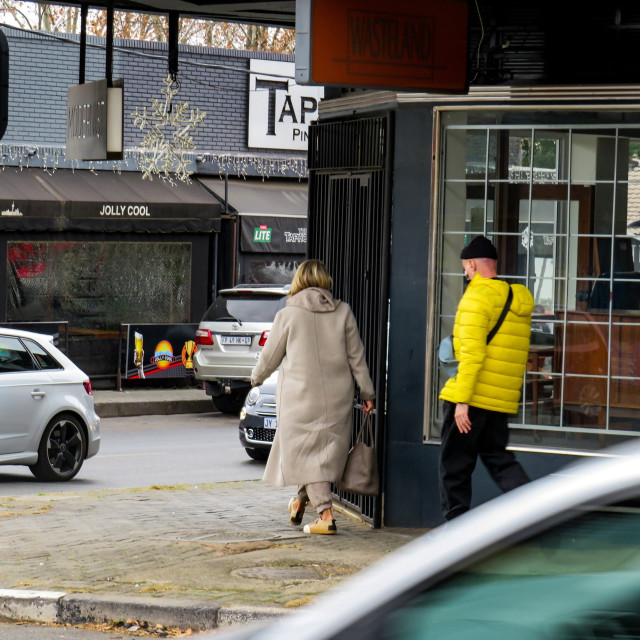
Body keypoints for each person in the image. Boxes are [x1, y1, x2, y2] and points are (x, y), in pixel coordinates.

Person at [251, 259, 375, 535]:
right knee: (315, 455)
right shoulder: (343, 312)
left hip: (299, 398)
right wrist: (367, 393)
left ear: (299, 281)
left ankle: (325, 515)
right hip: (336, 398)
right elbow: (357, 359)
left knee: (306, 454)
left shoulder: (289, 314)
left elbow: (271, 355)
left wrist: (255, 377)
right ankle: (298, 502)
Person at [439, 235, 534, 521]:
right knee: (500, 461)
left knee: (454, 466)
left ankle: (456, 532)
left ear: (472, 264)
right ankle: (536, 514)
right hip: (501, 401)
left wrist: (462, 401)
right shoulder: (516, 298)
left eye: (466, 268)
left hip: (473, 397)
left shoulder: (475, 299)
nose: (465, 273)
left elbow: (472, 355)